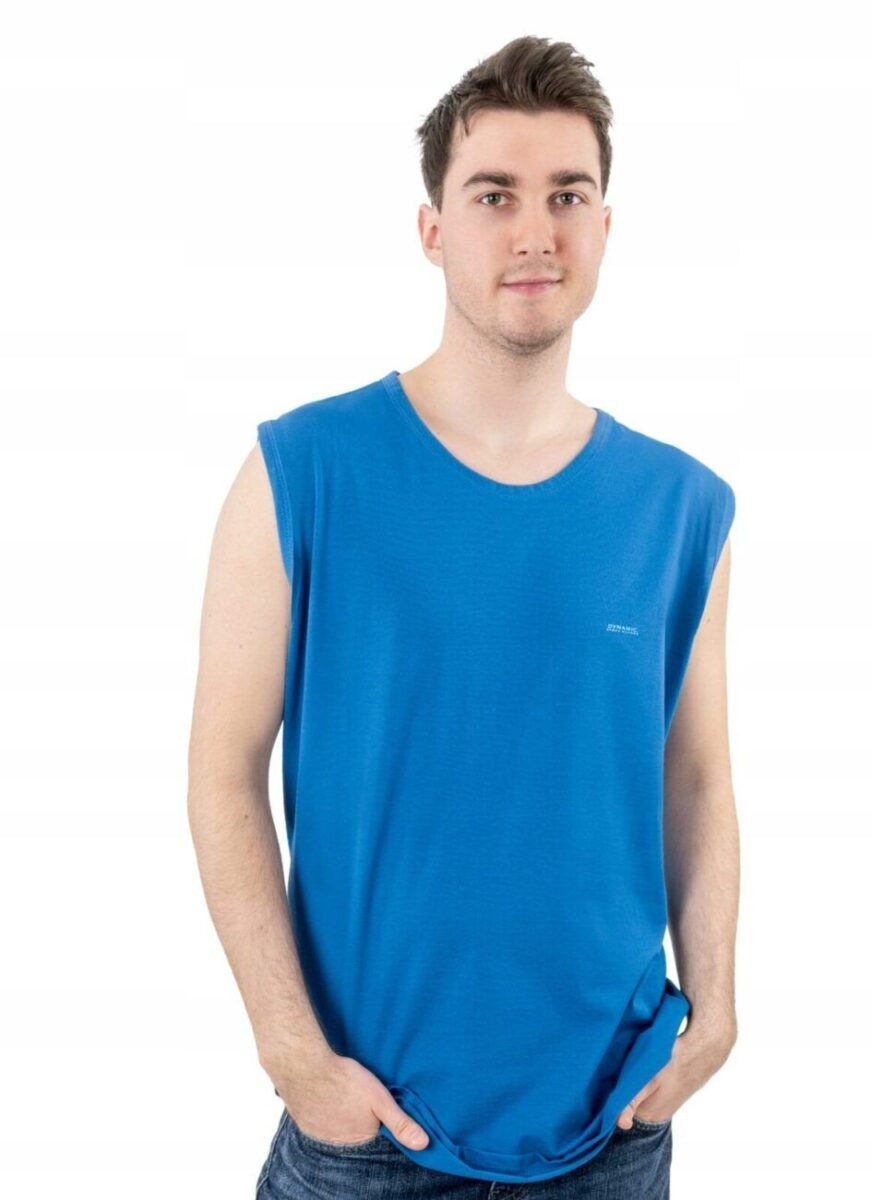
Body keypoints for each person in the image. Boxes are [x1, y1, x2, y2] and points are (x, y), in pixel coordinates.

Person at [187, 34, 739, 1200]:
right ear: (432, 229)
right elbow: (221, 773)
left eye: (566, 196)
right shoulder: (300, 472)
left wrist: (716, 1010)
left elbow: (694, 779)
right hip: (366, 1134)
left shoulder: (681, 507)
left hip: (610, 1127)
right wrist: (293, 1056)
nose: (534, 231)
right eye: (494, 196)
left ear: (604, 227)